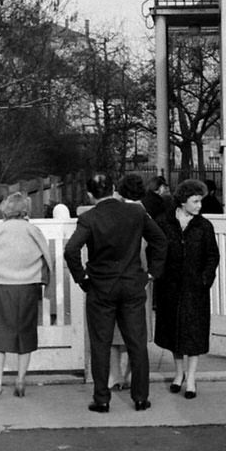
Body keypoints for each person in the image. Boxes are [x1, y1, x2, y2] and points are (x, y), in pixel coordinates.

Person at [64, 172, 167, 413]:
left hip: (100, 287)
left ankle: (102, 399)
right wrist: (151, 273)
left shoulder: (89, 217)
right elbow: (160, 241)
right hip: (132, 284)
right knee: (137, 343)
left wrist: (83, 279)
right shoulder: (136, 212)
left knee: (101, 343)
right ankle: (141, 398)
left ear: (90, 194)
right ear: (113, 188)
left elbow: (71, 250)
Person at [0, 191, 55, 399]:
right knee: (25, 332)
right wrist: (46, 283)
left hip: (2, 287)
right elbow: (46, 257)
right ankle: (20, 381)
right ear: (25, 209)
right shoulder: (33, 230)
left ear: (6, 209)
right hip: (28, 287)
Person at [154, 179, 220, 398]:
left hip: (195, 289)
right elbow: (155, 250)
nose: (200, 206)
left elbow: (213, 256)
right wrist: (160, 275)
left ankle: (191, 378)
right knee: (174, 332)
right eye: (195, 201)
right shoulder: (164, 222)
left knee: (194, 333)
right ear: (182, 202)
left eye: (200, 201)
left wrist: (204, 279)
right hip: (170, 287)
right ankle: (178, 373)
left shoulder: (204, 226)